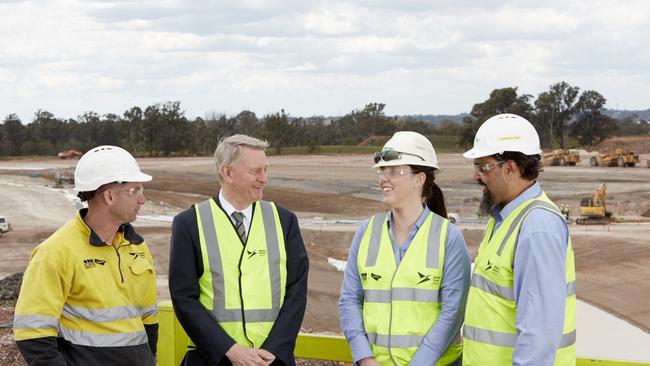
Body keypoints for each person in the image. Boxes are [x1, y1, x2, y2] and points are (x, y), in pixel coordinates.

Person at [169, 134, 309, 366]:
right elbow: (183, 297)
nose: (263, 179)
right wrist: (229, 349)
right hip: (212, 358)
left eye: (265, 170)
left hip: (272, 360)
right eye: (256, 171)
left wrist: (273, 350)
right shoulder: (189, 223)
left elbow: (297, 290)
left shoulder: (285, 220)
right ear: (227, 172)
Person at [13, 145, 158, 366]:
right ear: (109, 196)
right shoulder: (55, 252)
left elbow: (148, 319)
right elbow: (32, 333)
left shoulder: (136, 246)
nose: (142, 199)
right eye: (134, 190)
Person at [339, 131, 471, 366]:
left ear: (419, 179)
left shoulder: (448, 237)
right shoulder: (367, 232)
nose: (384, 179)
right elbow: (350, 299)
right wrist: (365, 358)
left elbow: (452, 314)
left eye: (394, 171)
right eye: (382, 171)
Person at [461, 113, 576, 365]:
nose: (476, 177)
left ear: (510, 168)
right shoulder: (504, 218)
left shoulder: (537, 227)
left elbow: (540, 334)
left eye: (483, 167)